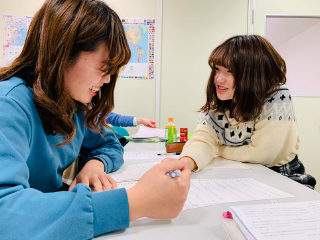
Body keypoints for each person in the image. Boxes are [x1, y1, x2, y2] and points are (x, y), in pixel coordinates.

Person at [0, 0, 191, 239]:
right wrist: (137, 201)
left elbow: (110, 143)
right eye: (105, 66)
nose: (109, 80)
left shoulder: (72, 105)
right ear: (63, 52)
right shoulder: (8, 105)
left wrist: (95, 164)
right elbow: (6, 214)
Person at [179, 35, 316, 189]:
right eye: (217, 69)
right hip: (241, 176)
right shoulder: (219, 103)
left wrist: (220, 149)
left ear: (253, 76)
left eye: (230, 72)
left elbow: (263, 155)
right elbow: (202, 141)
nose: (219, 79)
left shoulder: (277, 96)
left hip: (283, 177)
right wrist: (184, 163)